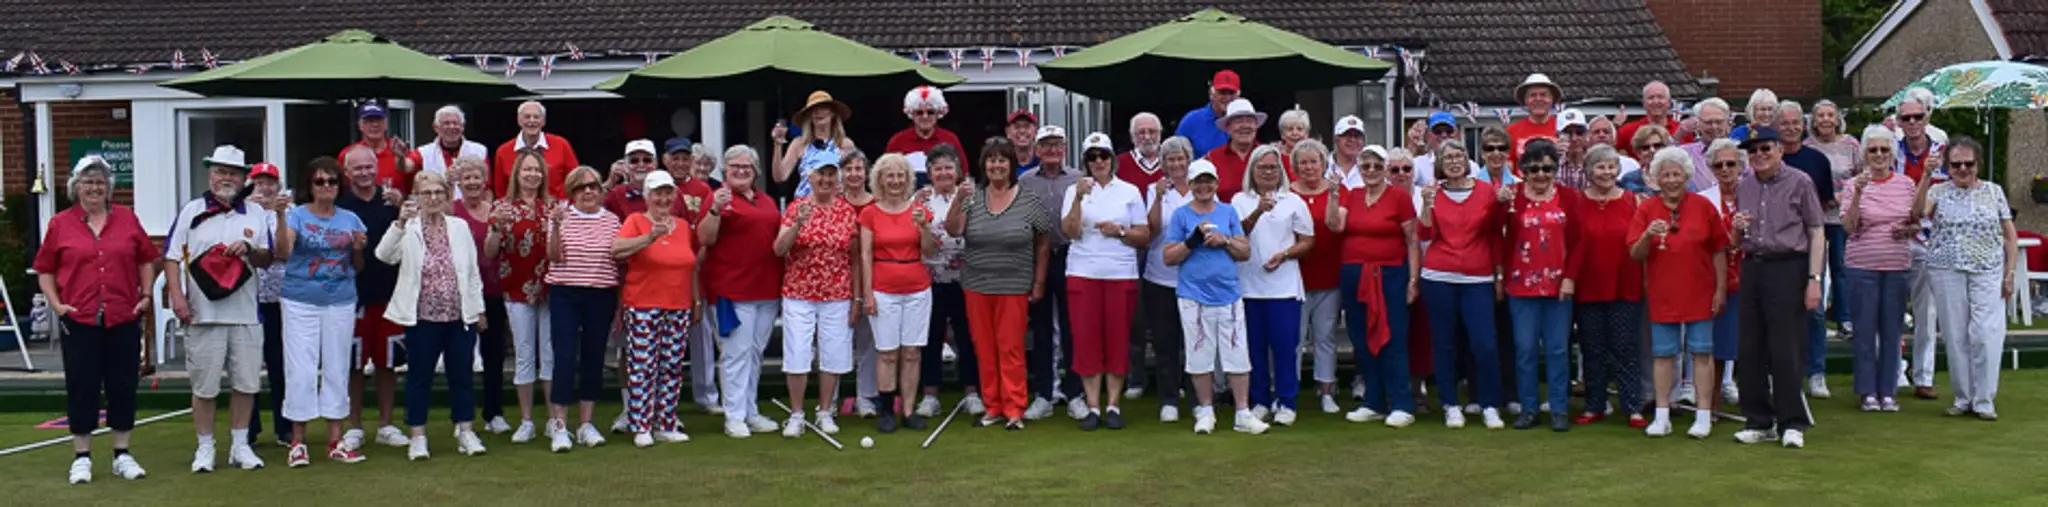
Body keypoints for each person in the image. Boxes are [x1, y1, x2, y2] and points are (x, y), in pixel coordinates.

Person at [39, 156, 158, 483]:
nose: (94, 188)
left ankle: (122, 453)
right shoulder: (60, 224)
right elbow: (45, 269)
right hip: (79, 317)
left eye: (100, 183)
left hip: (123, 314)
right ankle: (82, 456)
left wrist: (146, 296)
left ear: (109, 189)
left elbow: (146, 259)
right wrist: (57, 304)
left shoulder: (127, 219)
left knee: (123, 385)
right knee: (82, 386)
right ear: (75, 187)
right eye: (88, 182)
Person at [165, 145, 274, 471]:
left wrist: (249, 248)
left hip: (245, 315)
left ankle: (240, 446)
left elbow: (267, 259)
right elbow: (171, 257)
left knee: (246, 384)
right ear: (210, 175)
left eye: (233, 172)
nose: (226, 178)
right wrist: (178, 297)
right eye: (220, 171)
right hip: (202, 315)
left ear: (243, 178)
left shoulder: (255, 213)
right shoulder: (191, 210)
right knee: (204, 387)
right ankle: (205, 448)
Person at [375, 171, 487, 460]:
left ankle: (465, 431)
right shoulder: (408, 227)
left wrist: (478, 309)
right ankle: (418, 436)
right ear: (417, 197)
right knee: (419, 377)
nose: (434, 198)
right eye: (427, 193)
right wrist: (399, 223)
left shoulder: (459, 226)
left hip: (458, 315)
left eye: (439, 192)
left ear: (447, 195)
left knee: (461, 376)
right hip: (422, 317)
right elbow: (384, 256)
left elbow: (472, 272)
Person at [268, 159, 368, 468]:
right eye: (319, 182)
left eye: (332, 182)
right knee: (301, 369)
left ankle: (335, 441)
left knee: (337, 367)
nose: (326, 187)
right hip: (300, 299)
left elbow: (360, 267)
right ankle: (298, 442)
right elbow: (282, 252)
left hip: (341, 299)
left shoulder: (351, 219)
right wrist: (281, 214)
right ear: (309, 186)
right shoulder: (296, 215)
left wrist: (357, 249)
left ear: (340, 186)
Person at [1731, 126, 1826, 449]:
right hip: (1753, 264)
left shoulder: (1800, 181)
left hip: (1789, 266)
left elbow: (1816, 231)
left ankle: (1792, 422)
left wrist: (1814, 279)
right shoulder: (1744, 185)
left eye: (1764, 149)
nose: (1758, 155)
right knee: (1750, 346)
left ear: (1779, 150)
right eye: (1752, 150)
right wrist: (1735, 230)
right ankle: (1758, 420)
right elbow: (1736, 241)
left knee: (1785, 347)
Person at [948, 137, 1053, 430]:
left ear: (1012, 164)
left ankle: (1015, 407)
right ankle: (992, 406)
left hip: (1014, 284)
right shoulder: (972, 197)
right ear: (984, 165)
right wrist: (957, 198)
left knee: (1010, 348)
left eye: (1002, 160)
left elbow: (1043, 242)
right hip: (977, 284)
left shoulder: (1029, 199)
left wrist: (1039, 281)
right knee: (984, 347)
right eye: (991, 160)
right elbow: (954, 229)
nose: (996, 166)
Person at [1629, 146, 1728, 440]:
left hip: (1700, 289)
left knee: (1702, 352)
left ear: (1687, 176)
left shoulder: (1704, 207)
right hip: (1663, 292)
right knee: (1663, 355)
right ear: (1656, 178)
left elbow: (1719, 250)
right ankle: (1662, 414)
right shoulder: (1646, 209)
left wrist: (1720, 289)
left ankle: (1703, 414)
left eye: (1677, 174)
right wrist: (1648, 234)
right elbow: (1635, 254)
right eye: (1666, 175)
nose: (1672, 180)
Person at [1163, 159, 1265, 435]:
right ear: (1191, 184)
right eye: (1198, 182)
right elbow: (1168, 257)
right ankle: (1206, 411)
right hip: (1193, 296)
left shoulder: (1229, 212)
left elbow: (1244, 251)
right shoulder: (1181, 215)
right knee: (1199, 355)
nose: (1204, 186)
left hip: (1228, 294)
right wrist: (1191, 241)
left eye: (1208, 181)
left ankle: (1242, 413)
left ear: (1216, 184)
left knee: (1237, 354)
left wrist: (1225, 240)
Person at [1059, 132, 1152, 431]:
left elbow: (1144, 235)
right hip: (1083, 272)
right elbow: (1070, 231)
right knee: (1086, 340)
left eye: (1104, 156)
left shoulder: (1129, 191)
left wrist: (1120, 232)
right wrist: (1077, 197)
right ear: (1085, 162)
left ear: (1112, 159)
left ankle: (1112, 404)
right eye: (1092, 157)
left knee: (1116, 339)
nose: (1098, 162)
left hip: (1120, 273)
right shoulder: (1074, 190)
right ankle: (1093, 406)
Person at [1327, 139, 1421, 428]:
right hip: (1355, 273)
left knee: (1392, 337)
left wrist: (1413, 280)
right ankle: (1374, 401)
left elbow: (1412, 240)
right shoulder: (1351, 195)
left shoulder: (1399, 198)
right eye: (1365, 165)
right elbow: (1335, 226)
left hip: (1390, 274)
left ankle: (1402, 402)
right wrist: (1332, 195)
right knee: (1361, 337)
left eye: (1377, 166)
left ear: (1385, 169)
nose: (1370, 170)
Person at [1921, 138, 2015, 420]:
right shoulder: (1937, 191)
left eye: (1969, 164)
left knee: (1986, 333)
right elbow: (1917, 214)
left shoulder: (1993, 191)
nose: (1963, 169)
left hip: (1988, 269)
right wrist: (1926, 175)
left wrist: (2009, 273)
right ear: (1947, 167)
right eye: (1956, 164)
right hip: (1946, 268)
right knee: (1955, 333)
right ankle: (1963, 397)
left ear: (1978, 165)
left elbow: (2010, 235)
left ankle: (1984, 399)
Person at [698, 146, 788, 438]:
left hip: (767, 288)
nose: (740, 171)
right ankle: (734, 415)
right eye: (734, 166)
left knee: (755, 353)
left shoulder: (766, 200)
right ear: (724, 170)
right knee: (736, 353)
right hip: (732, 289)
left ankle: (750, 410)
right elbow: (705, 237)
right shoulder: (718, 199)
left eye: (746, 167)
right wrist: (714, 208)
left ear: (756, 171)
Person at [1416, 141, 1505, 429]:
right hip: (1439, 276)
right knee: (1443, 344)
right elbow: (1425, 233)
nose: (1454, 161)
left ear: (1467, 160)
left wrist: (1499, 275)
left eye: (1459, 156)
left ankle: (1490, 404)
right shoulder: (1432, 193)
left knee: (1485, 344)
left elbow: (1495, 234)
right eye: (1447, 157)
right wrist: (1427, 205)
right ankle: (1450, 404)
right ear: (1439, 163)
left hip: (1478, 277)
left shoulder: (1486, 192)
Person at [608, 169, 700, 447]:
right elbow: (616, 249)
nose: (663, 199)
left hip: (679, 304)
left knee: (672, 366)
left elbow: (691, 265)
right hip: (644, 304)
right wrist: (649, 238)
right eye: (657, 193)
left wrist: (695, 302)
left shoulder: (683, 226)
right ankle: (641, 425)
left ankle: (666, 423)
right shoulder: (636, 220)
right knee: (643, 365)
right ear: (647, 196)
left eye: (667, 193)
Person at [774, 159, 859, 438]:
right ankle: (796, 414)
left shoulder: (847, 212)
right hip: (799, 293)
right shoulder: (798, 207)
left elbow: (855, 257)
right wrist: (798, 223)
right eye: (821, 175)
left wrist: (857, 297)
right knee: (797, 353)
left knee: (833, 355)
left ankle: (825, 412)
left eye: (831, 175)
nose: (826, 180)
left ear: (838, 180)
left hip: (837, 293)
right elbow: (779, 249)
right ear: (810, 178)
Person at [1501, 139, 1582, 432]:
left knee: (1558, 350)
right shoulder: (1511, 197)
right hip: (1521, 286)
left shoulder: (1569, 197)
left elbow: (1578, 242)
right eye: (1533, 168)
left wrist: (1570, 277)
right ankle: (1529, 408)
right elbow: (1496, 234)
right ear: (1522, 169)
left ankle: (1559, 409)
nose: (1540, 174)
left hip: (1558, 286)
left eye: (1547, 168)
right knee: (1524, 349)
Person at [1230, 144, 1313, 426]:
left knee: (1284, 347)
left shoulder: (1294, 201)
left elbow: (1307, 241)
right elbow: (1235, 236)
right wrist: (1257, 211)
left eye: (1273, 167)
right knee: (1253, 348)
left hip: (1285, 287)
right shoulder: (1239, 200)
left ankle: (1287, 401)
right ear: (1252, 170)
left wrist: (1285, 254)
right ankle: (1261, 400)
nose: (1268, 172)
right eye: (1262, 167)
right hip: (1248, 286)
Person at [859, 154, 939, 433]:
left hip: (917, 287)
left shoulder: (919, 210)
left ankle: (908, 410)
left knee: (912, 353)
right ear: (879, 179)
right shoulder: (870, 212)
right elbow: (866, 254)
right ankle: (886, 410)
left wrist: (924, 226)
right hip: (883, 288)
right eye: (889, 175)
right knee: (887, 353)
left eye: (900, 175)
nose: (895, 181)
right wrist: (867, 293)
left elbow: (929, 251)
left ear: (908, 179)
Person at [544, 166, 622, 451]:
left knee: (594, 356)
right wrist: (553, 226)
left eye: (592, 186)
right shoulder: (560, 214)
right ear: (571, 191)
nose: (587, 192)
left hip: (601, 294)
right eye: (580, 187)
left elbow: (617, 261)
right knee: (564, 357)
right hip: (565, 293)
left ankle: (586, 424)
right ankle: (560, 425)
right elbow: (553, 256)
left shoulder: (613, 221)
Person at [335, 145, 406, 452]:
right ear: (347, 172)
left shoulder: (392, 202)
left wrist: (403, 206)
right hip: (351, 296)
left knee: (387, 363)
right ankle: (354, 427)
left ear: (377, 168)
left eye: (368, 167)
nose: (364, 173)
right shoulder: (340, 205)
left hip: (391, 294)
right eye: (357, 168)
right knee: (352, 363)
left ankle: (386, 425)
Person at [1571, 146, 1648, 428]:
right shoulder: (1576, 202)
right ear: (1589, 171)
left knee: (1626, 347)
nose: (1606, 173)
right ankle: (1594, 405)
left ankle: (1632, 406)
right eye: (1600, 167)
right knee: (1592, 349)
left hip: (1624, 284)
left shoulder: (1634, 200)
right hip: (1588, 285)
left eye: (1611, 167)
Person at [1841, 126, 1914, 412]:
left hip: (1897, 264)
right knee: (1864, 330)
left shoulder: (1906, 184)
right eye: (1873, 150)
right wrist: (1858, 193)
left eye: (1885, 150)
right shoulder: (1852, 185)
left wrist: (1908, 229)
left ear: (1892, 154)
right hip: (1862, 264)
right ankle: (1867, 391)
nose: (1879, 155)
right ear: (1864, 154)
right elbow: (1849, 226)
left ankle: (1888, 391)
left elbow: (1915, 222)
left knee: (1891, 330)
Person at [1775, 101, 1841, 398]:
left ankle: (1816, 373)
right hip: (1777, 247)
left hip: (1811, 244)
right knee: (1779, 313)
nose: (1790, 128)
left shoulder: (1817, 160)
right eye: (1784, 123)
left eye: (1794, 123)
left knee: (1813, 311)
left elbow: (1825, 203)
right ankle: (1782, 374)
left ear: (1803, 126)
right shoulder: (1768, 159)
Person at [442, 156, 512, 435]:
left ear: (485, 181)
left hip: (493, 292)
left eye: (476, 177)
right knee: (461, 358)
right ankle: (462, 416)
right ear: (459, 182)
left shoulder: (497, 210)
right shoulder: (451, 209)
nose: (472, 182)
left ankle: (494, 413)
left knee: (494, 356)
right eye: (466, 177)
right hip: (458, 294)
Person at [1019, 126, 1085, 420]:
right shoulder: (1025, 181)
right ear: (1036, 150)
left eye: (1057, 145)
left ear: (1065, 148)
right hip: (1038, 257)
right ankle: (1044, 393)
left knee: (1074, 327)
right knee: (1042, 328)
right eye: (1046, 145)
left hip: (1073, 255)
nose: (1052, 150)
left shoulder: (1079, 178)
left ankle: (1075, 393)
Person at [915, 145, 985, 418]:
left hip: (966, 278)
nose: (943, 173)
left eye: (948, 167)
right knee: (931, 338)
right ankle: (930, 394)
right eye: (937, 168)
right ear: (929, 173)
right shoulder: (920, 200)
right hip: (930, 278)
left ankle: (971, 392)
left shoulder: (972, 197)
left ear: (957, 171)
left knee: (968, 337)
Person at [493, 150, 556, 443]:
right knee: (524, 354)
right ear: (516, 174)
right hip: (517, 290)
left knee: (550, 353)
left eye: (537, 170)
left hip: (550, 289)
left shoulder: (553, 207)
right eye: (527, 170)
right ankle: (527, 420)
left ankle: (555, 419)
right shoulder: (504, 208)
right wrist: (496, 227)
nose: (532, 175)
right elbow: (490, 252)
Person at [1896, 87, 1949, 401]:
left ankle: (1924, 376)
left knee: (1926, 312)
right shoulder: (1890, 152)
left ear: (1927, 117)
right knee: (1889, 310)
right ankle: (1892, 372)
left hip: (1930, 239)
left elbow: (1952, 192)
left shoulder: (1944, 152)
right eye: (1907, 118)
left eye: (1918, 116)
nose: (1913, 122)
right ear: (1899, 121)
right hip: (1897, 236)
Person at [1140, 137, 1197, 423]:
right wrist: (1160, 198)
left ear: (1189, 160)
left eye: (1180, 159)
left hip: (1196, 278)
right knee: (1166, 341)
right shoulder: (1154, 190)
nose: (1176, 164)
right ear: (1163, 164)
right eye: (1170, 160)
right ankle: (1169, 398)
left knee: (1195, 341)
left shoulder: (1201, 187)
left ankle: (1198, 397)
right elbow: (1149, 230)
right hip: (1161, 278)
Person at [662, 138, 721, 414]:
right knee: (664, 339)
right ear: (665, 160)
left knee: (702, 337)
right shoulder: (658, 186)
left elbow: (709, 232)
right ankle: (663, 399)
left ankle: (707, 395)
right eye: (676, 158)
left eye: (686, 158)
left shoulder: (702, 189)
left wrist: (697, 261)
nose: (681, 163)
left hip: (698, 270)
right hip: (664, 274)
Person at [1291, 139, 1345, 414]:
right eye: (1304, 162)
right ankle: (1290, 391)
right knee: (1295, 338)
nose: (1309, 167)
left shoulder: (1338, 191)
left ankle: (1326, 390)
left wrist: (1334, 196)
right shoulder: (1287, 193)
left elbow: (1337, 226)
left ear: (1324, 164)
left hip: (1329, 276)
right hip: (1295, 278)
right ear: (1295, 166)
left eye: (1314, 161)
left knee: (1325, 337)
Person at [1698, 140, 1749, 410]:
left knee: (1753, 343)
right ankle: (1711, 405)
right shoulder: (1703, 199)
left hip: (1751, 277)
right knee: (1717, 345)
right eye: (1719, 165)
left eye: (1731, 164)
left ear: (1741, 166)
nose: (1726, 169)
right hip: (1715, 279)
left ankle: (1756, 403)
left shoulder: (1754, 194)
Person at [834, 151, 883, 419]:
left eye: (858, 169)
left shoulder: (876, 205)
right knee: (836, 343)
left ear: (866, 173)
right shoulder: (834, 204)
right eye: (848, 169)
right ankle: (830, 399)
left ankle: (866, 397)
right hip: (836, 281)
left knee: (868, 344)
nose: (854, 174)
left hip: (870, 279)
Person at [1806, 100, 1861, 335]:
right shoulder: (1807, 146)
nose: (1826, 119)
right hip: (1814, 217)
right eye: (1821, 115)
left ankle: (1844, 317)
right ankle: (1813, 320)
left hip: (1841, 217)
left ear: (1838, 119)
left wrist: (1842, 196)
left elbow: (1861, 177)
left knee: (1840, 267)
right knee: (1814, 269)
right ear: (1814, 121)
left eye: (1830, 115)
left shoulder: (1851, 144)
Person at [245, 162, 287, 447]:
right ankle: (248, 428)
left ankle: (284, 428)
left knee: (280, 365)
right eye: (259, 182)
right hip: (247, 299)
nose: (265, 187)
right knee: (246, 366)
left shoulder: (289, 213)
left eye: (270, 181)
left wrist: (279, 213)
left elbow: (285, 252)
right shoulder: (241, 214)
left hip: (281, 299)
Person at [773, 90, 859, 199]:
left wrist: (844, 187)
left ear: (832, 113)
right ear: (809, 116)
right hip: (805, 206)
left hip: (835, 205)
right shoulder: (799, 143)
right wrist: (777, 144)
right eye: (814, 109)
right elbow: (780, 177)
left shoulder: (845, 144)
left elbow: (855, 177)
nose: (818, 112)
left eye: (823, 107)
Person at [493, 101, 580, 199]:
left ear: (543, 121)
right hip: (518, 210)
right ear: (519, 120)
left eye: (536, 117)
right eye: (527, 117)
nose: (532, 121)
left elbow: (576, 180)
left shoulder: (561, 145)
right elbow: (500, 190)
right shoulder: (503, 151)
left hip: (557, 208)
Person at [884, 85, 967, 177]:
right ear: (912, 114)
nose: (925, 116)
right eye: (919, 112)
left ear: (938, 113)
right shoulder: (897, 141)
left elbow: (963, 172)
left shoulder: (950, 139)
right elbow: (886, 174)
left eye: (930, 112)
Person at [338, 100, 418, 195]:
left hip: (395, 206)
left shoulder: (399, 151)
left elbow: (410, 178)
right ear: (360, 125)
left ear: (386, 124)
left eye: (379, 120)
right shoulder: (348, 154)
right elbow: (341, 186)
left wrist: (400, 157)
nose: (375, 125)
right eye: (369, 121)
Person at [414, 106, 490, 199]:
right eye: (446, 123)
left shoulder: (479, 150)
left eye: (455, 123)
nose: (452, 127)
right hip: (436, 208)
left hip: (470, 209)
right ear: (436, 127)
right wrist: (401, 157)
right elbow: (406, 167)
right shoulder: (423, 152)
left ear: (462, 127)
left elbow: (487, 188)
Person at [1204, 98, 1266, 199]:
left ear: (1256, 126)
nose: (1245, 126)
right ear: (1228, 128)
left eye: (1249, 121)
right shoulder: (1211, 159)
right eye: (1238, 121)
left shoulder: (1270, 156)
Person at [1175, 70, 1241, 154]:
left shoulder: (1245, 122)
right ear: (1211, 93)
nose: (1227, 97)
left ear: (1238, 95)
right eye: (1222, 92)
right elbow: (1175, 155)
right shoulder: (1192, 121)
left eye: (1231, 93)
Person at [1416, 113, 1490, 187]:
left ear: (1457, 134)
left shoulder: (1472, 166)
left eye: (1449, 131)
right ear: (1428, 134)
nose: (1444, 135)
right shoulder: (1418, 164)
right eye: (1437, 131)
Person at [1507, 73, 1563, 161]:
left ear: (1552, 99)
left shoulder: (1563, 128)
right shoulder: (1511, 132)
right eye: (1533, 95)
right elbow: (1508, 167)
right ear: (1525, 100)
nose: (1538, 99)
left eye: (1543, 95)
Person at [1682, 98, 1735, 189]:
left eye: (1719, 122)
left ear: (1728, 123)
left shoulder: (1742, 154)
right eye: (1708, 122)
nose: (1714, 127)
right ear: (1698, 125)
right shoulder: (1684, 155)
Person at [1618, 81, 1681, 158]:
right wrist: (1615, 125)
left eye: (1660, 97)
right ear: (1643, 103)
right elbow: (1606, 150)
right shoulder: (1628, 130)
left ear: (1669, 102)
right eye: (1651, 97)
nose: (1655, 101)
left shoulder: (1682, 129)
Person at [1118, 113, 1167, 189]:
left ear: (1160, 134)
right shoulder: (1118, 163)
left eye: (1152, 132)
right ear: (1132, 136)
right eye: (1141, 132)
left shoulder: (1174, 161)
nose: (1147, 137)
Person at [1624, 125, 1676, 194]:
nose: (1652, 150)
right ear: (1639, 153)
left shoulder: (1679, 177)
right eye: (1646, 147)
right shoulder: (1629, 180)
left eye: (1657, 146)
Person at [1328, 116, 1371, 190]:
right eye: (1348, 135)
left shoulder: (1371, 169)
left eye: (1357, 136)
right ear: (1336, 139)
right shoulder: (1322, 166)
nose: (1353, 140)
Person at [1554, 110, 1591, 190]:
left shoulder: (1596, 161)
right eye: (1568, 133)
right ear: (1558, 136)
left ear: (1587, 134)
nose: (1574, 138)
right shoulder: (1552, 165)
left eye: (1579, 132)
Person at [1005, 110, 1042, 175]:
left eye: (1027, 126)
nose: (1022, 131)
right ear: (1008, 132)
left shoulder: (1044, 160)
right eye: (1017, 127)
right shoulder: (1002, 163)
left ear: (1036, 131)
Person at [1276, 107, 1312, 176]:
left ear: (1307, 134)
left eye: (1299, 129)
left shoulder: (1314, 157)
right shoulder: (1275, 157)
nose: (1295, 133)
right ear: (1282, 134)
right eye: (1290, 129)